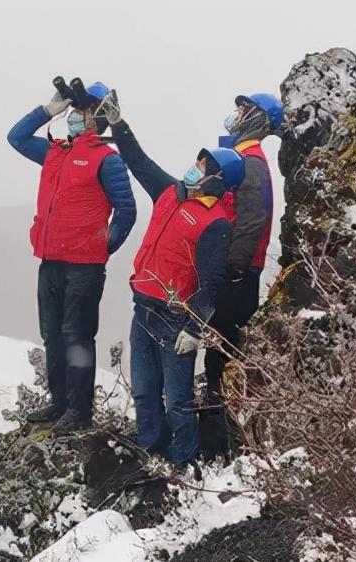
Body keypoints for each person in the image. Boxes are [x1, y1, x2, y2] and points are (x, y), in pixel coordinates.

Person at [103, 99, 244, 469]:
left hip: (175, 319)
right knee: (145, 391)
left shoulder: (216, 223)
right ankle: (151, 452)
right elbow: (139, 161)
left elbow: (212, 282)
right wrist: (119, 125)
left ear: (217, 177)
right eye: (198, 162)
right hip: (143, 309)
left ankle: (183, 462)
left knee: (178, 400)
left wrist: (196, 328)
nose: (195, 167)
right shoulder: (169, 192)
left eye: (204, 165)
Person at [6, 81, 136, 432]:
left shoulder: (107, 160)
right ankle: (59, 402)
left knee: (76, 335)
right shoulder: (56, 153)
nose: (76, 115)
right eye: (76, 109)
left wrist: (100, 249)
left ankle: (80, 411)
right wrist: (48, 111)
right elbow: (15, 137)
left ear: (100, 118)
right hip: (50, 259)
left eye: (84, 110)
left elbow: (127, 211)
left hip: (84, 266)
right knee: (52, 334)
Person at [200, 92, 283, 459]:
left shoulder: (250, 163)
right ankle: (222, 436)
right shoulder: (244, 159)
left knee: (221, 354)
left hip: (239, 274)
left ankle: (223, 442)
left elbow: (251, 219)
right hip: (237, 270)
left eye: (242, 109)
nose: (235, 114)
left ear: (256, 119)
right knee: (219, 352)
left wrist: (233, 267)